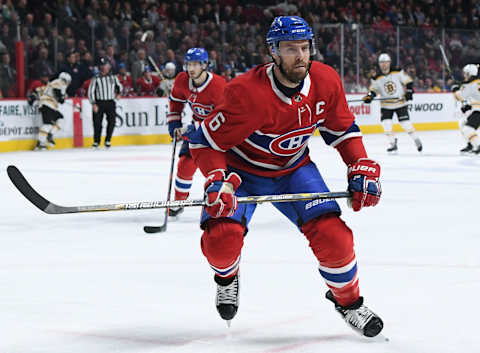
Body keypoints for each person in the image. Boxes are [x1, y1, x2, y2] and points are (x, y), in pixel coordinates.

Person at [182, 16, 384, 338]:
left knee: (336, 237)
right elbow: (204, 141)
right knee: (221, 241)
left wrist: (358, 163)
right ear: (273, 52)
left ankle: (348, 303)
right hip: (241, 173)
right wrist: (217, 179)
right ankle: (226, 278)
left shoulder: (326, 80)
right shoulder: (245, 93)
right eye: (291, 49)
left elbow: (342, 130)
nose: (301, 56)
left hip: (294, 170)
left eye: (305, 47)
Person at [167, 48, 227, 216]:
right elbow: (176, 102)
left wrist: (198, 127)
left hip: (219, 134)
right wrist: (174, 123)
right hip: (196, 129)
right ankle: (179, 202)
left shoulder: (219, 85)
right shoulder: (182, 79)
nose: (191, 69)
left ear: (205, 65)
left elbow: (226, 117)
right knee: (185, 164)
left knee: (218, 173)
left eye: (195, 64)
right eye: (188, 64)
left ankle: (223, 201)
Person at [362, 53, 423, 153]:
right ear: (379, 64)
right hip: (386, 105)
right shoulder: (376, 77)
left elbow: (408, 82)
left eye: (386, 62)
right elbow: (373, 90)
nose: (384, 64)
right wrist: (369, 96)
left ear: (389, 62)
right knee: (386, 125)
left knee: (406, 124)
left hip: (400, 103)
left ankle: (416, 140)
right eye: (382, 63)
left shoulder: (397, 71)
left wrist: (409, 91)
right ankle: (392, 143)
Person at [87, 57, 122, 148]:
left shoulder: (113, 77)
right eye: (102, 66)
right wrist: (93, 103)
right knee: (97, 123)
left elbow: (119, 86)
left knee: (112, 121)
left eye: (105, 65)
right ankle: (97, 141)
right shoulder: (96, 78)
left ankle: (108, 140)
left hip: (110, 102)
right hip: (99, 102)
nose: (104, 67)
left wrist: (118, 94)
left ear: (109, 66)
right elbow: (91, 91)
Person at [30, 72, 71, 150]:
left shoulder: (52, 83)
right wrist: (61, 97)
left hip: (50, 106)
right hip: (48, 105)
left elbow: (39, 90)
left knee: (61, 119)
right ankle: (40, 143)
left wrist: (32, 97)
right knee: (48, 124)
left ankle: (50, 135)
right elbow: (58, 93)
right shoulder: (61, 82)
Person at [453, 64, 480, 154]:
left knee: (467, 129)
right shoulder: (476, 82)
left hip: (478, 110)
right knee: (462, 123)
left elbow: (459, 96)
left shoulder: (470, 84)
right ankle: (471, 144)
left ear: (471, 74)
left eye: (466, 74)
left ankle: (477, 145)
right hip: (475, 109)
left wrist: (455, 88)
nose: (465, 75)